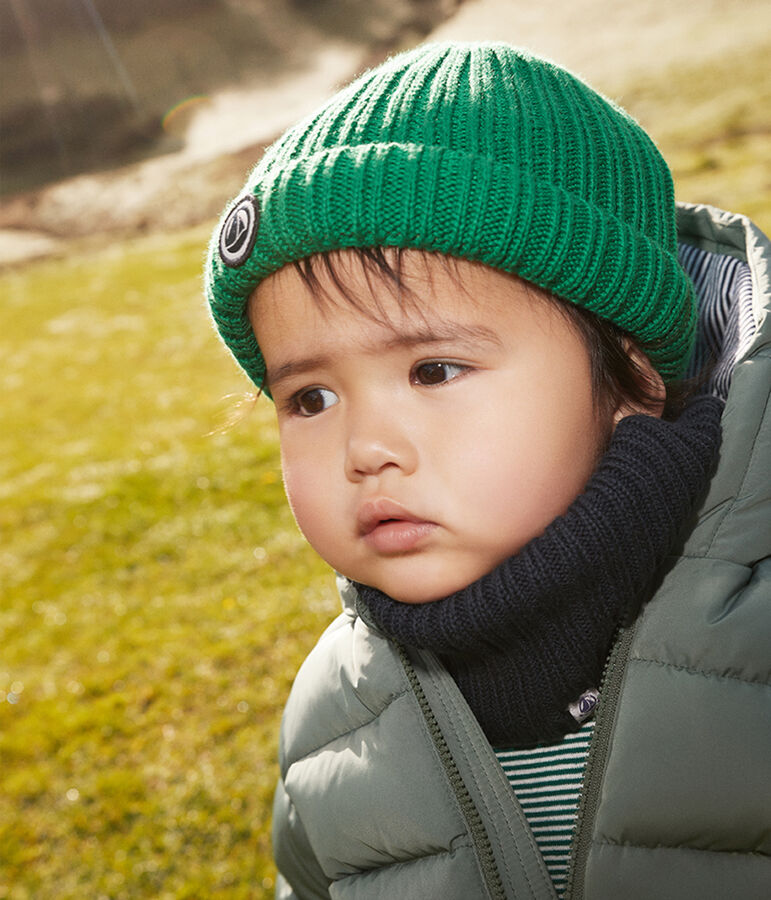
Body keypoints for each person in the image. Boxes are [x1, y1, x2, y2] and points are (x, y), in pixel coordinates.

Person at [204, 42, 770, 899]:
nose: (365, 449)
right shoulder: (335, 714)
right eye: (310, 398)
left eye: (433, 371)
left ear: (631, 378)